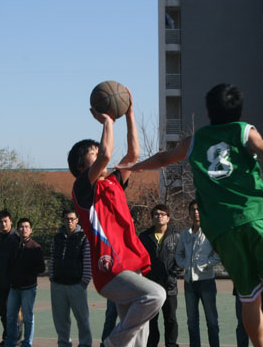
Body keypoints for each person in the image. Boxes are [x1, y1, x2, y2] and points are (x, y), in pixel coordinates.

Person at [124, 83, 263, 347]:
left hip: (224, 228)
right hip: (258, 216)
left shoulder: (195, 140)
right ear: (240, 109)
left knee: (249, 297)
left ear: (209, 111)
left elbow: (165, 158)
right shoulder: (244, 131)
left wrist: (134, 166)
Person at [68, 89, 166, 347]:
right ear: (81, 166)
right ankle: (111, 343)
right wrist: (108, 122)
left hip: (131, 265)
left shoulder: (113, 182)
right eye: (92, 150)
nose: (99, 150)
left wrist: (130, 114)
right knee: (156, 295)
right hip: (110, 269)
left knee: (140, 339)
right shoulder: (83, 189)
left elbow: (133, 155)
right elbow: (106, 156)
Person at [176, 200, 220, 347]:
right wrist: (186, 266)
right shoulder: (185, 234)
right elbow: (178, 254)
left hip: (207, 281)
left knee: (212, 321)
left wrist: (204, 265)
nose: (196, 212)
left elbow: (218, 255)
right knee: (192, 321)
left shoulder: (211, 231)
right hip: (189, 283)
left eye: (198, 209)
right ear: (189, 213)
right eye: (193, 210)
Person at [139, 204, 181, 347]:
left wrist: (174, 273)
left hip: (169, 285)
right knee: (151, 319)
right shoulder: (144, 237)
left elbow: (182, 256)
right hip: (151, 285)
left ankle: (171, 344)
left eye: (163, 214)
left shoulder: (176, 236)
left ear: (168, 218)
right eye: (156, 214)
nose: (159, 216)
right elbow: (139, 257)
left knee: (170, 319)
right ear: (152, 217)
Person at [49, 209, 92, 347]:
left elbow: (88, 260)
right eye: (67, 218)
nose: (69, 221)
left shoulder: (84, 237)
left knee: (82, 318)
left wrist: (84, 281)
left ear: (77, 220)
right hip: (58, 285)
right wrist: (52, 277)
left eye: (72, 219)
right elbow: (52, 258)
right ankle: (64, 343)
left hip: (77, 285)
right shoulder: (57, 238)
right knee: (60, 319)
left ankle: (85, 344)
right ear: (63, 220)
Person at [5, 218, 46, 347]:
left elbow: (41, 268)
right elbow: (9, 264)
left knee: (28, 317)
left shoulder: (35, 247)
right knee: (11, 317)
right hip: (14, 287)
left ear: (31, 230)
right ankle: (11, 341)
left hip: (28, 287)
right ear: (17, 229)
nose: (24, 229)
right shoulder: (14, 246)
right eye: (21, 227)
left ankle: (27, 342)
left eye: (27, 227)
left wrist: (28, 271)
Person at [0, 210, 20, 347]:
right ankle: (8, 337)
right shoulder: (0, 237)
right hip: (1, 280)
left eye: (5, 221)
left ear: (11, 222)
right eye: (1, 222)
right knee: (3, 311)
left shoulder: (16, 238)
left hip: (13, 282)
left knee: (13, 313)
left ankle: (15, 339)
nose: (3, 224)